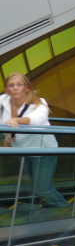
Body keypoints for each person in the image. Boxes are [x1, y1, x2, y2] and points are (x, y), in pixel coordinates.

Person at [1, 72, 69, 207]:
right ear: (6, 89)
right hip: (22, 151)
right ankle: (59, 207)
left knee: (42, 189)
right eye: (11, 85)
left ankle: (65, 209)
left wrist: (17, 120)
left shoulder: (38, 103)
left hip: (43, 151)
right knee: (41, 186)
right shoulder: (3, 101)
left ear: (26, 88)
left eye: (19, 84)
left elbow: (37, 119)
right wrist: (7, 134)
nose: (15, 88)